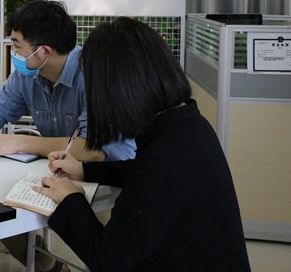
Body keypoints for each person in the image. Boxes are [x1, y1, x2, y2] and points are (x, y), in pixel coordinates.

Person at [36, 18, 250, 271]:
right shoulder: (186, 125)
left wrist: (71, 198)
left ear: (115, 89)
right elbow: (140, 171)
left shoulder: (164, 162)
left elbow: (106, 258)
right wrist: (84, 170)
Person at [0, 0, 134, 271]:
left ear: (44, 51)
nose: (14, 52)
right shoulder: (29, 73)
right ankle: (49, 267)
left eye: (17, 45)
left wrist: (19, 141)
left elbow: (89, 148)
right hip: (58, 167)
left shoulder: (92, 73)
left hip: (109, 174)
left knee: (104, 250)